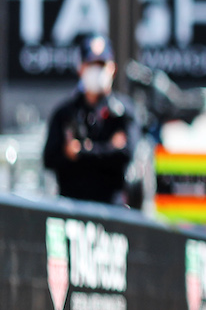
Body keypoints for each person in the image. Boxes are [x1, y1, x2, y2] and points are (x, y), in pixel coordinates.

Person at [42, 34, 139, 205]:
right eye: (91, 64)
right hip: (72, 207)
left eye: (101, 64)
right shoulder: (65, 112)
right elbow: (50, 158)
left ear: (112, 68)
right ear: (81, 68)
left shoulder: (123, 112)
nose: (97, 70)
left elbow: (125, 154)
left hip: (111, 209)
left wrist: (81, 152)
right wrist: (107, 148)